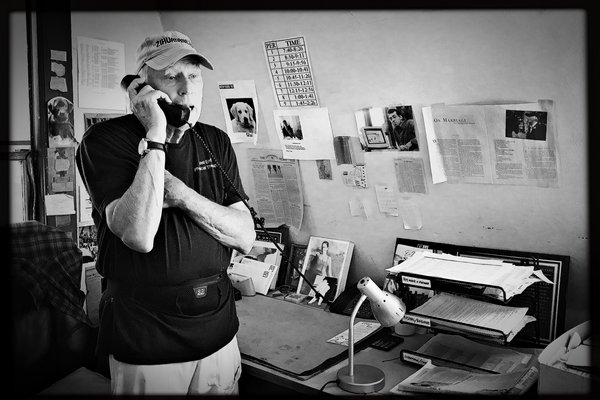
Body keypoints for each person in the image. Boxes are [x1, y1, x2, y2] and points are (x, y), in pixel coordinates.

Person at [75, 31, 256, 396]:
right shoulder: (104, 141)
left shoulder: (216, 140)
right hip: (146, 338)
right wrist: (156, 134)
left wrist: (181, 195)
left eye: (193, 76)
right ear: (144, 85)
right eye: (172, 76)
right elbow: (138, 235)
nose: (186, 89)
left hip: (218, 331)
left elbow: (244, 236)